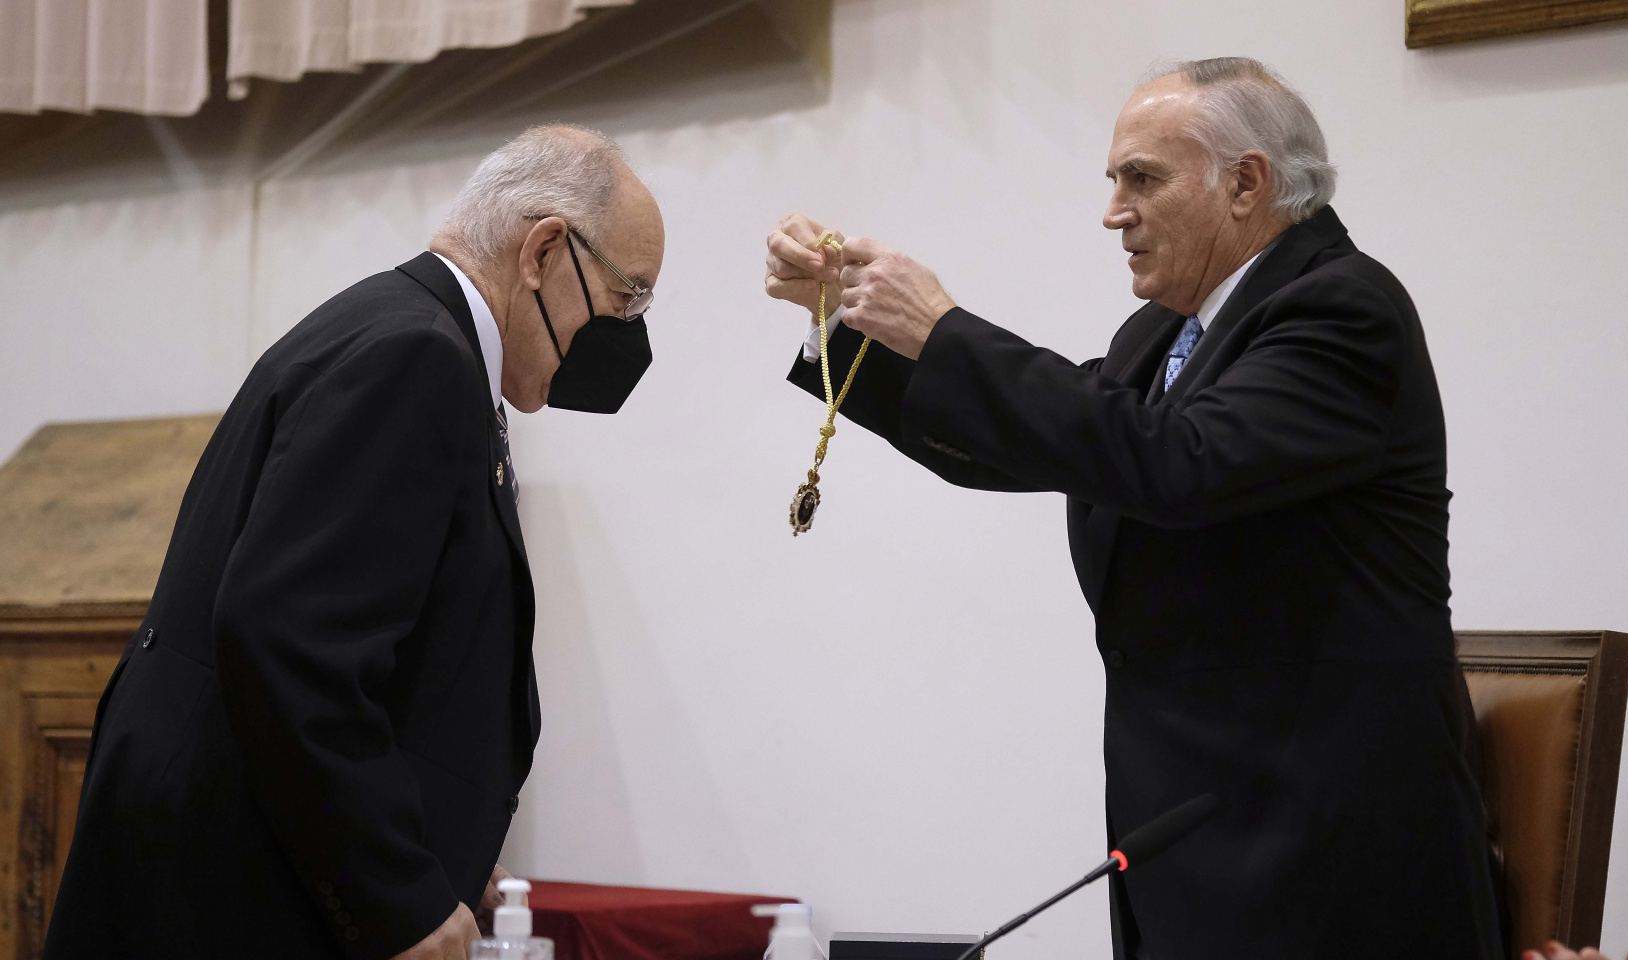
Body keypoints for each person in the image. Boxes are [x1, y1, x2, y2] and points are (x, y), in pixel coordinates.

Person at [765, 58, 1501, 958]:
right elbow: (1057, 443)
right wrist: (849, 325)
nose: (1113, 211)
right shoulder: (1161, 333)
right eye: (1114, 180)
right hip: (1191, 829)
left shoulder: (1344, 308)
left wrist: (948, 329)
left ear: (1246, 183)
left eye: (1141, 179)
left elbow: (1176, 465)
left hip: (1325, 853)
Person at [46, 124, 664, 960]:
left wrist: (439, 837)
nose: (631, 334)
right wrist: (398, 894)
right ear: (544, 251)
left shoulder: (404, 332)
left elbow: (386, 641)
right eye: (628, 298)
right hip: (231, 892)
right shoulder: (415, 356)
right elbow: (289, 641)